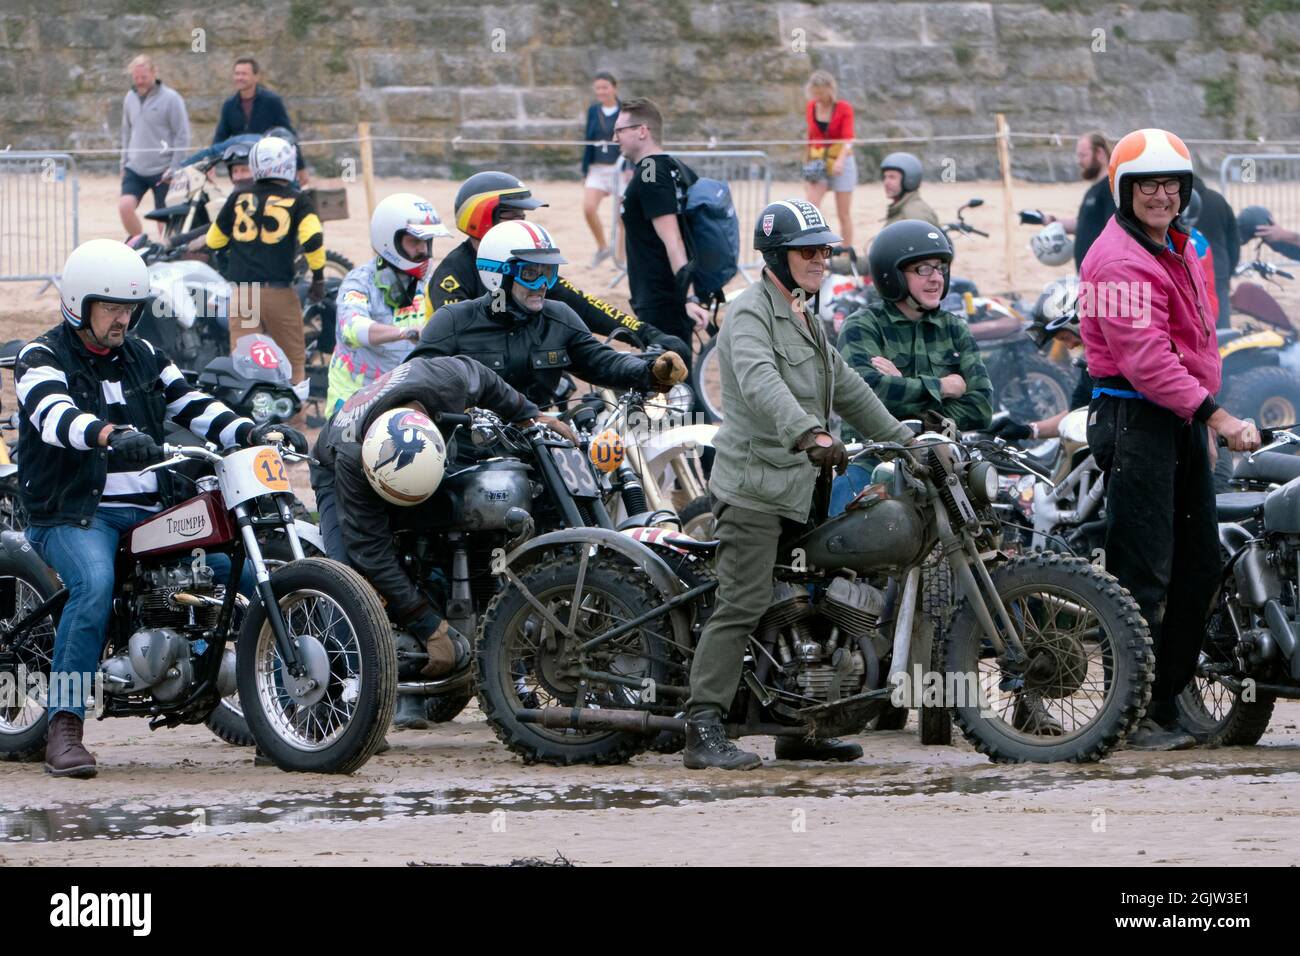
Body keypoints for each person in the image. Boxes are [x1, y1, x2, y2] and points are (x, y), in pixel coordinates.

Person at [14, 239, 303, 779]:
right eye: (112, 308)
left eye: (131, 309)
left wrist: (251, 430)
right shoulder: (42, 357)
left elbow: (194, 404)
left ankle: (277, 714)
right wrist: (107, 434)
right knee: (95, 584)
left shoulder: (145, 356)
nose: (124, 319)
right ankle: (65, 724)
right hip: (75, 512)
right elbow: (54, 415)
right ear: (79, 304)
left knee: (232, 568)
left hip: (151, 511)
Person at [682, 199, 915, 771]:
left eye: (825, 250)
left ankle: (800, 724)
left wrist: (908, 442)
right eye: (807, 251)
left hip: (805, 490)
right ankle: (702, 727)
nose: (820, 259)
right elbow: (761, 383)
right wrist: (809, 433)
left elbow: (850, 387)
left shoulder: (805, 314)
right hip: (756, 489)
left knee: (810, 599)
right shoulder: (748, 313)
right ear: (776, 257)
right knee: (742, 601)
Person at [1080, 128, 1261, 751]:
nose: (1161, 195)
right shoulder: (1118, 260)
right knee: (1142, 572)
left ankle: (1166, 700)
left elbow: (1195, 344)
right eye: (1147, 185)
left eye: (1171, 185)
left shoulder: (1176, 245)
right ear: (1124, 190)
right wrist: (1217, 417)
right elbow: (1148, 362)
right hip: (1136, 423)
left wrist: (1198, 422)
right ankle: (1128, 716)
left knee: (1197, 565)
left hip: (1176, 420)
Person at [310, 355, 559, 726]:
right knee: (350, 581)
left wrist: (530, 414)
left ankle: (500, 665)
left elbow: (486, 377)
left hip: (419, 467)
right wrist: (429, 626)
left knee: (462, 526)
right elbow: (370, 551)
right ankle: (347, 698)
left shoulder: (448, 380)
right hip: (333, 469)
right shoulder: (351, 457)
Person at [412, 221, 687, 409]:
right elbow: (414, 383)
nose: (543, 285)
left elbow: (602, 362)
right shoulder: (452, 321)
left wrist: (651, 372)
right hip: (471, 451)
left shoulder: (560, 317)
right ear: (498, 275)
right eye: (531, 274)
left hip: (544, 440)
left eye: (548, 273)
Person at [431, 171, 687, 357]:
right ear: (483, 218)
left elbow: (584, 305)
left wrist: (646, 333)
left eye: (525, 216)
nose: (524, 223)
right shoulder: (452, 277)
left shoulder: (529, 266)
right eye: (514, 216)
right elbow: (458, 341)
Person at [832, 220, 993, 514]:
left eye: (940, 267)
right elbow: (869, 396)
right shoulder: (862, 327)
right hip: (871, 459)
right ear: (891, 275)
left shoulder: (954, 329)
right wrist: (942, 387)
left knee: (986, 532)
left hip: (944, 464)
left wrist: (904, 388)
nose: (936, 278)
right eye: (923, 269)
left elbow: (981, 407)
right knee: (842, 535)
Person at [205, 135, 324, 413]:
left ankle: (247, 429)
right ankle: (294, 428)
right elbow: (313, 240)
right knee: (292, 363)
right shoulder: (298, 200)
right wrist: (318, 277)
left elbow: (214, 241)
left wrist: (226, 266)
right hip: (279, 292)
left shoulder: (238, 197)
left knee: (246, 365)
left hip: (243, 293)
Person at [325, 192, 451, 414]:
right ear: (389, 240)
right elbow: (352, 329)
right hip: (354, 397)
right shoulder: (359, 281)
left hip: (406, 392)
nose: (423, 250)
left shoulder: (431, 282)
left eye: (426, 242)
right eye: (414, 241)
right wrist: (404, 332)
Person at [614, 98, 712, 353]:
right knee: (673, 381)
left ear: (642, 131)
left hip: (662, 299)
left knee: (673, 383)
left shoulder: (650, 172)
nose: (615, 139)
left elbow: (674, 240)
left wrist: (689, 297)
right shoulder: (673, 167)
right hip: (664, 296)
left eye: (619, 131)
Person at [118, 55, 191, 238]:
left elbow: (182, 135)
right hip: (135, 167)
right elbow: (126, 131)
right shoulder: (129, 98)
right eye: (136, 78)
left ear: (154, 73)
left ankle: (165, 256)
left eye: (144, 77)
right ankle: (139, 243)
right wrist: (123, 162)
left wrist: (175, 167)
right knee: (125, 207)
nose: (140, 82)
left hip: (163, 170)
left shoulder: (172, 99)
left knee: (163, 222)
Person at [212, 57, 308, 186]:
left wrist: (300, 167)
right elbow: (220, 137)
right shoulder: (229, 105)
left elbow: (288, 134)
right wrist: (211, 164)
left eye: (244, 74)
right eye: (237, 73)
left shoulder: (272, 101)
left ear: (256, 77)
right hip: (244, 171)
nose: (239, 77)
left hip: (272, 168)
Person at [1040, 132, 1116, 272]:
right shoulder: (1093, 190)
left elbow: (1114, 231)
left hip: (1102, 275)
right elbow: (1085, 224)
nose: (1079, 161)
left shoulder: (1109, 188)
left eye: (1083, 155)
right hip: (1088, 275)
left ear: (1099, 153)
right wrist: (1055, 223)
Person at [802, 70, 856, 249]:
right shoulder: (811, 107)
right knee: (811, 207)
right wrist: (806, 162)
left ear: (829, 90)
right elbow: (810, 136)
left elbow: (848, 139)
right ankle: (814, 246)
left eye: (820, 92)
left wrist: (840, 161)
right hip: (818, 162)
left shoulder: (844, 108)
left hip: (842, 160)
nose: (817, 96)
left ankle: (847, 252)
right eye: (814, 92)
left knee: (843, 213)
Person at [581, 72, 623, 267]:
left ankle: (620, 259)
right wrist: (586, 169)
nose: (601, 91)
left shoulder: (625, 110)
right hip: (597, 168)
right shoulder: (593, 111)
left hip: (620, 168)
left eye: (605, 87)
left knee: (623, 217)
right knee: (589, 208)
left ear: (614, 87)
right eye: (598, 88)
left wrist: (629, 166)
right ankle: (602, 248)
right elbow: (587, 141)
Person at [1193, 175, 1242, 328]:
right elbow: (1234, 241)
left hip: (1183, 271)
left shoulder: (1171, 202)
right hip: (1217, 271)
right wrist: (1229, 272)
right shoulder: (1217, 200)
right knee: (1221, 329)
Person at [880, 152, 940, 229]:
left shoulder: (915, 215)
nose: (886, 183)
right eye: (885, 177)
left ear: (909, 179)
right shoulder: (901, 209)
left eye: (892, 177)